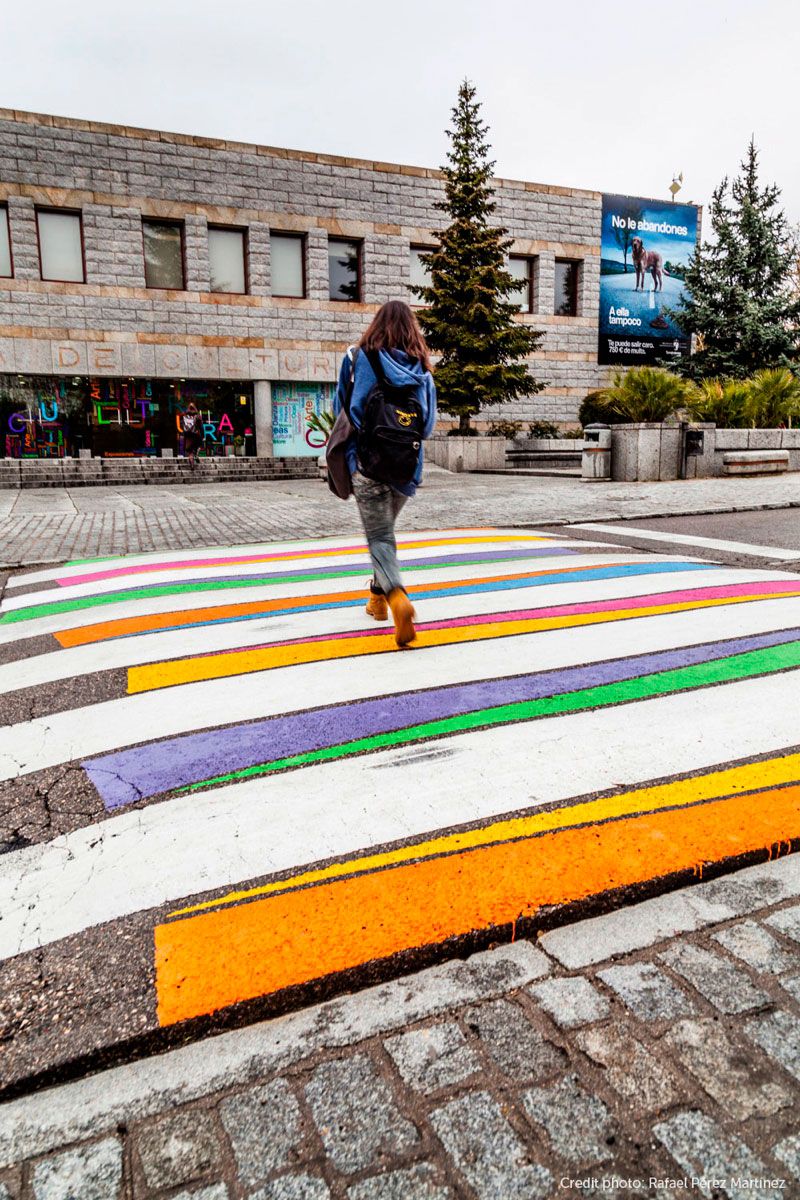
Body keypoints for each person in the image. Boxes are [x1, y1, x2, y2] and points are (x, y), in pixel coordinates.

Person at [333, 300, 437, 647]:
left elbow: (343, 409)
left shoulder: (358, 357)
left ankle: (397, 598)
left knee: (379, 538)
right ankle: (377, 601)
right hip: (406, 469)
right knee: (383, 533)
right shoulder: (421, 368)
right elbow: (427, 426)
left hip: (368, 464)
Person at [180, 401, 203, 467]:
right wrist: (203, 435)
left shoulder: (185, 416)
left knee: (190, 452)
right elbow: (201, 427)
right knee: (199, 445)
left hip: (188, 436)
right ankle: (196, 455)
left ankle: (192, 465)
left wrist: (184, 434)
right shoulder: (198, 416)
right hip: (196, 435)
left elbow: (183, 426)